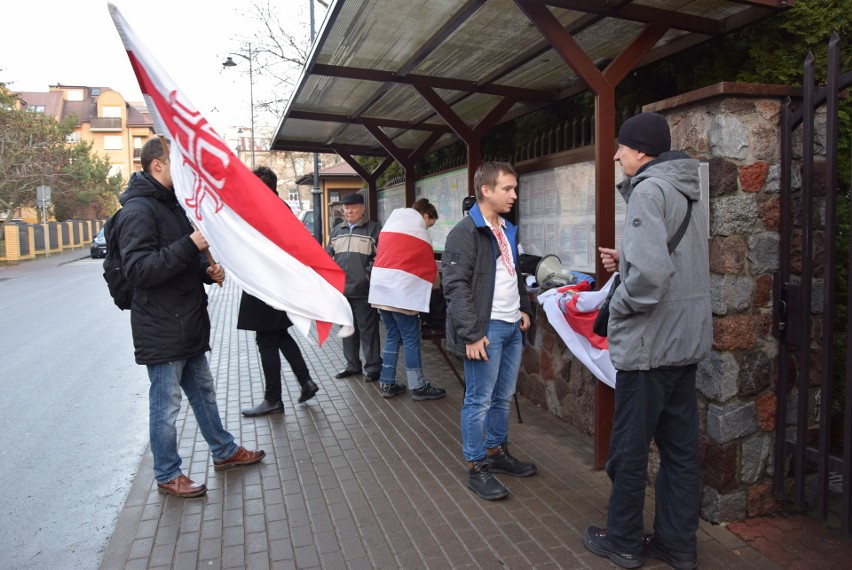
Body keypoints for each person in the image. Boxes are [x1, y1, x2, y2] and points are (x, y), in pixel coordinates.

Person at [583, 112, 711, 570]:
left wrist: (618, 306)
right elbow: (678, 258)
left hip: (650, 347)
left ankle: (622, 541)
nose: (616, 155)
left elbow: (651, 280)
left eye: (621, 147)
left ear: (640, 151)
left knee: (629, 452)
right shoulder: (687, 186)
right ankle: (678, 546)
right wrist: (627, 258)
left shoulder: (648, 189)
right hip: (685, 342)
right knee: (679, 453)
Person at [114, 137, 265, 498]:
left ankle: (224, 451)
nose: (184, 168)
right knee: (166, 406)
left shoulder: (172, 206)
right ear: (157, 165)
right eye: (176, 161)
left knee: (204, 394)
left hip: (187, 321)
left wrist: (204, 271)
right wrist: (190, 246)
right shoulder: (138, 211)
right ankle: (168, 474)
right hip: (162, 326)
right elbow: (139, 271)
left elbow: (182, 258)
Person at [442, 162, 536, 501]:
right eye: (507, 189)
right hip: (486, 329)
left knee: (503, 395)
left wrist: (524, 309)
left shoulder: (508, 228)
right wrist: (471, 334)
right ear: (486, 190)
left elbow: (516, 274)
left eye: (514, 188)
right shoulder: (465, 233)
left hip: (511, 326)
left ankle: (497, 453)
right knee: (478, 399)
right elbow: (455, 286)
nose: (514, 195)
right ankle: (476, 465)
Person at [238, 167, 319, 416]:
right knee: (279, 334)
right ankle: (306, 381)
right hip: (278, 283)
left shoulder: (265, 210)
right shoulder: (279, 207)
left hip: (266, 283)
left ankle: (273, 399)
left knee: (266, 341)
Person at [368, 198, 446, 401]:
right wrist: (436, 286)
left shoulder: (392, 224)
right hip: (402, 296)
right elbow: (431, 272)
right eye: (431, 224)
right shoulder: (418, 232)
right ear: (426, 215)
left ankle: (387, 383)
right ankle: (418, 386)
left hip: (381, 291)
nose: (428, 228)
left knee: (393, 336)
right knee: (411, 339)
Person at [326, 192, 382, 381]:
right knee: (347, 330)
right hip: (342, 291)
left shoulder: (373, 229)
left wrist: (367, 274)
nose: (349, 211)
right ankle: (352, 365)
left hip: (363, 290)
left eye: (353, 207)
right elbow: (328, 256)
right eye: (346, 208)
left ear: (362, 208)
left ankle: (373, 367)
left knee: (368, 330)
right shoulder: (337, 230)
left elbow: (380, 256)